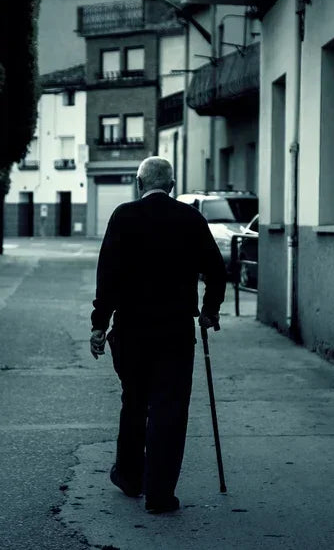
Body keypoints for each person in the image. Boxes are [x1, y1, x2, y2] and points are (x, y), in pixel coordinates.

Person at [89, 156, 227, 514]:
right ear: (171, 185)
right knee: (170, 409)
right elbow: (216, 269)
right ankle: (160, 495)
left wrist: (99, 325)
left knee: (134, 402)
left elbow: (108, 276)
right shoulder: (190, 219)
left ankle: (130, 477)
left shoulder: (123, 217)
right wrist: (210, 310)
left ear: (139, 184)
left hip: (132, 331)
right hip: (175, 332)